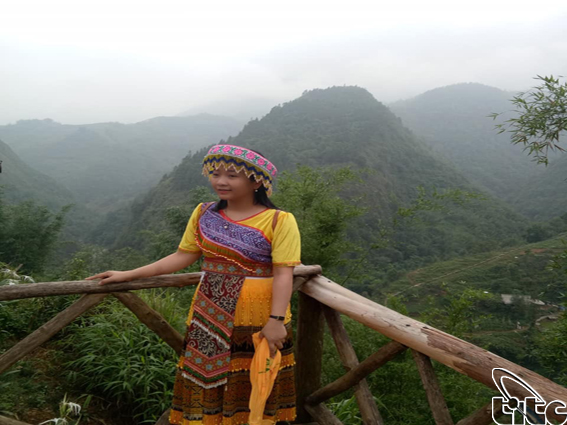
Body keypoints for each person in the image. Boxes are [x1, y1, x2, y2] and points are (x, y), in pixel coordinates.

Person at [86, 144, 300, 425]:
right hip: (209, 309)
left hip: (259, 312)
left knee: (256, 374)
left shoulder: (279, 221)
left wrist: (276, 321)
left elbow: (283, 274)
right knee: (205, 375)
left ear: (256, 181)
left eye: (232, 175)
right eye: (216, 174)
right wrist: (129, 274)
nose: (221, 181)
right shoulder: (203, 213)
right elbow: (183, 256)